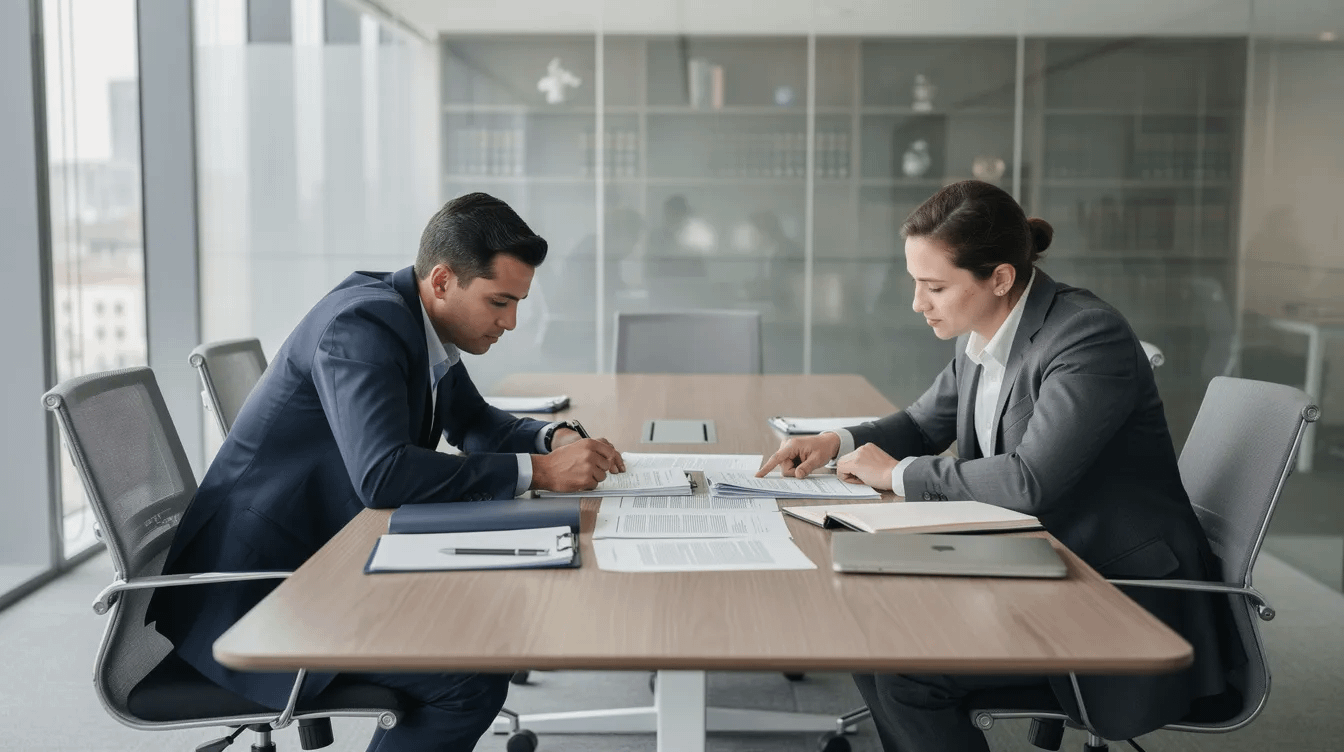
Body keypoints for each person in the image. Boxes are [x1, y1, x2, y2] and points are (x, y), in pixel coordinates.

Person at [758, 180, 1239, 750]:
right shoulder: (988, 334)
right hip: (1036, 562)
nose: (918, 303)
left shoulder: (1085, 338)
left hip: (1111, 595)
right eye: (916, 283)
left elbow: (1029, 480)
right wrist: (834, 442)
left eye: (934, 286)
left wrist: (898, 475)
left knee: (904, 668)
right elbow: (920, 425)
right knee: (873, 640)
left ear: (1001, 278)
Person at [147, 192, 625, 752]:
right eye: (499, 302)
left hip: (331, 557)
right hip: (264, 595)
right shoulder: (363, 326)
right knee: (470, 676)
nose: (511, 322)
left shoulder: (417, 321)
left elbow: (471, 422)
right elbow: (383, 475)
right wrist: (540, 471)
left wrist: (552, 437)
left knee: (488, 624)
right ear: (443, 281)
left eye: (518, 303)